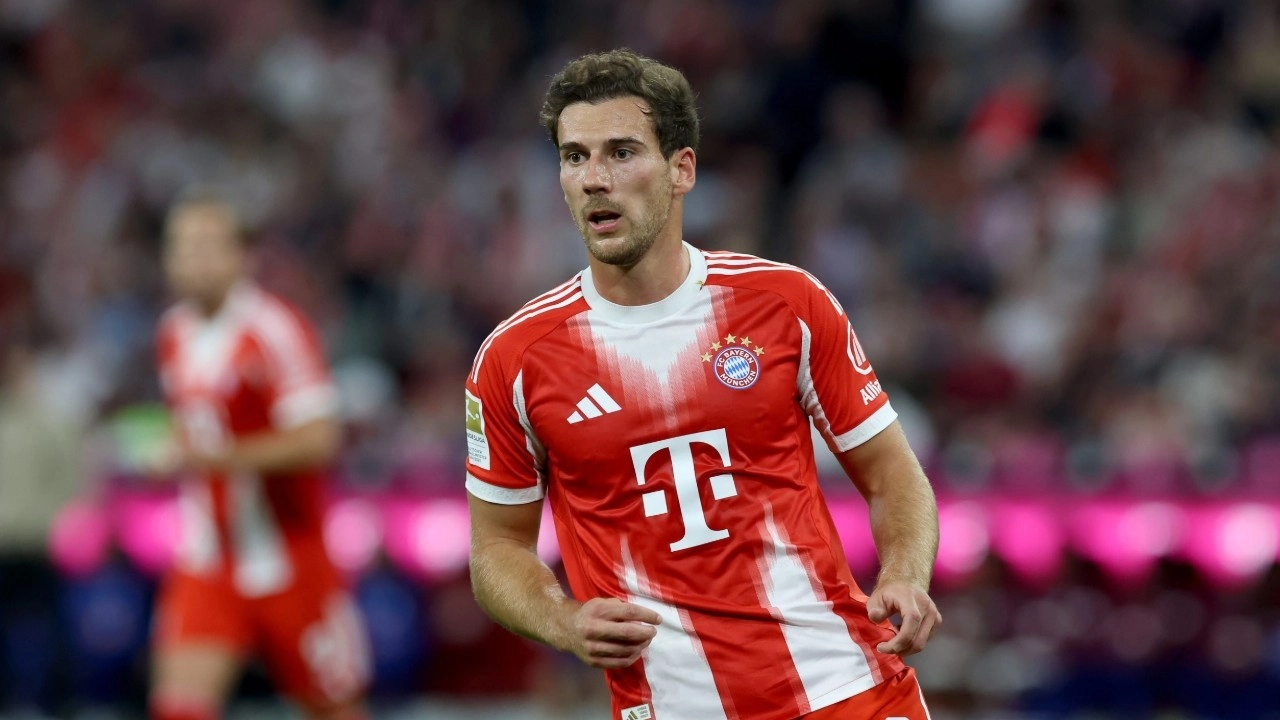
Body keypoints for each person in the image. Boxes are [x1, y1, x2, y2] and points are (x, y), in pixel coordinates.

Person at [466, 49, 942, 720]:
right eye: (575, 157)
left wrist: (904, 575)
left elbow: (893, 473)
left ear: (681, 169)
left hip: (847, 688)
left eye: (621, 152)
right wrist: (561, 620)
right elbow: (496, 547)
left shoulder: (787, 303)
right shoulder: (514, 359)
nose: (595, 179)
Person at [149, 195, 370, 720]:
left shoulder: (276, 329)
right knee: (178, 707)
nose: (193, 259)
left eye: (208, 246)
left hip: (289, 557)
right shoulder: (172, 333)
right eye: (182, 247)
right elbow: (193, 427)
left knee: (332, 709)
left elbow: (319, 439)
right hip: (209, 558)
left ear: (241, 255)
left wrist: (216, 457)